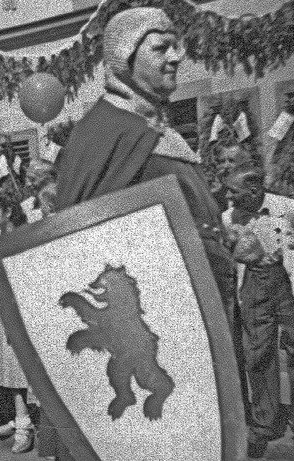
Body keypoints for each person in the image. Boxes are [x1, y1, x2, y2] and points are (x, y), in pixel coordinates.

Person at [54, 7, 236, 460]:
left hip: (196, 320)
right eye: (160, 47)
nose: (176, 56)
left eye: (176, 45)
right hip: (156, 318)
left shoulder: (158, 130)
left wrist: (220, 241)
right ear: (125, 57)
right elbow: (80, 247)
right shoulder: (103, 133)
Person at [222, 164, 294, 458]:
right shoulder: (228, 217)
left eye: (233, 191)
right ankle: (264, 425)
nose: (227, 197)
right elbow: (235, 254)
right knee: (258, 354)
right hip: (254, 286)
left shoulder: (287, 208)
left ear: (254, 190)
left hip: (287, 282)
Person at [0, 191, 35, 453]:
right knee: (8, 365)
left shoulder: (22, 236)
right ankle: (20, 418)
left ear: (8, 212)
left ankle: (27, 424)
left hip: (15, 302)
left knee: (20, 364)